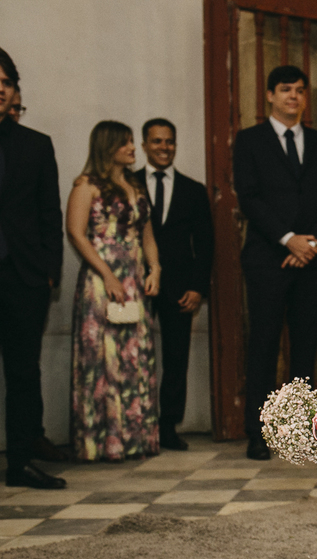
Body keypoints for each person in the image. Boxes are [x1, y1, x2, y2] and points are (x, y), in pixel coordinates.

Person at [233, 64, 317, 460]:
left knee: (306, 349)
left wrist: (310, 243)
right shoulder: (249, 141)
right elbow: (249, 197)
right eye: (285, 89)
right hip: (267, 259)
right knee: (263, 346)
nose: (293, 96)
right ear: (270, 96)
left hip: (311, 259)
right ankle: (258, 432)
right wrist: (288, 240)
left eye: (299, 90)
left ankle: (302, 432)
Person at [65, 121, 162, 461]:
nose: (133, 148)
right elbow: (76, 233)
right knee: (103, 356)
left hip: (134, 278)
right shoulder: (86, 185)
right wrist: (107, 275)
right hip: (101, 280)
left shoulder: (135, 185)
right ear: (108, 147)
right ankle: (103, 441)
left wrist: (155, 268)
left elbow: (147, 234)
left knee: (135, 355)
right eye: (126, 143)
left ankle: (136, 438)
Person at [0, 48, 68, 488]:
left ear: (13, 92)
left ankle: (21, 461)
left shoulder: (36, 145)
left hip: (22, 276)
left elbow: (49, 214)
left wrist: (50, 271)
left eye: (5, 82)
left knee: (23, 372)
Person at [135, 118, 214, 451]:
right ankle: (136, 427)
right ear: (144, 145)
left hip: (181, 288)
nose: (163, 147)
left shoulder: (193, 190)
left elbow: (205, 244)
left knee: (176, 358)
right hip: (136, 284)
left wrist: (198, 288)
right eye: (157, 141)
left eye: (169, 141)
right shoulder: (128, 183)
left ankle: (168, 427)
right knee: (133, 357)